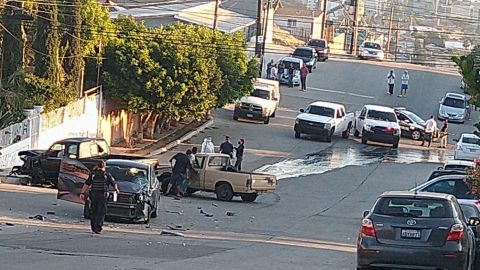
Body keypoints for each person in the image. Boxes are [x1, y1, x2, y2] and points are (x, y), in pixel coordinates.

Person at [80, 160, 119, 234]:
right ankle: (98, 228)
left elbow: (87, 184)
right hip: (102, 195)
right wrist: (116, 190)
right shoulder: (107, 175)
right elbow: (114, 184)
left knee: (93, 211)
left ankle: (94, 227)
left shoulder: (93, 174)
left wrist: (82, 193)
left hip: (94, 195)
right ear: (104, 166)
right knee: (101, 212)